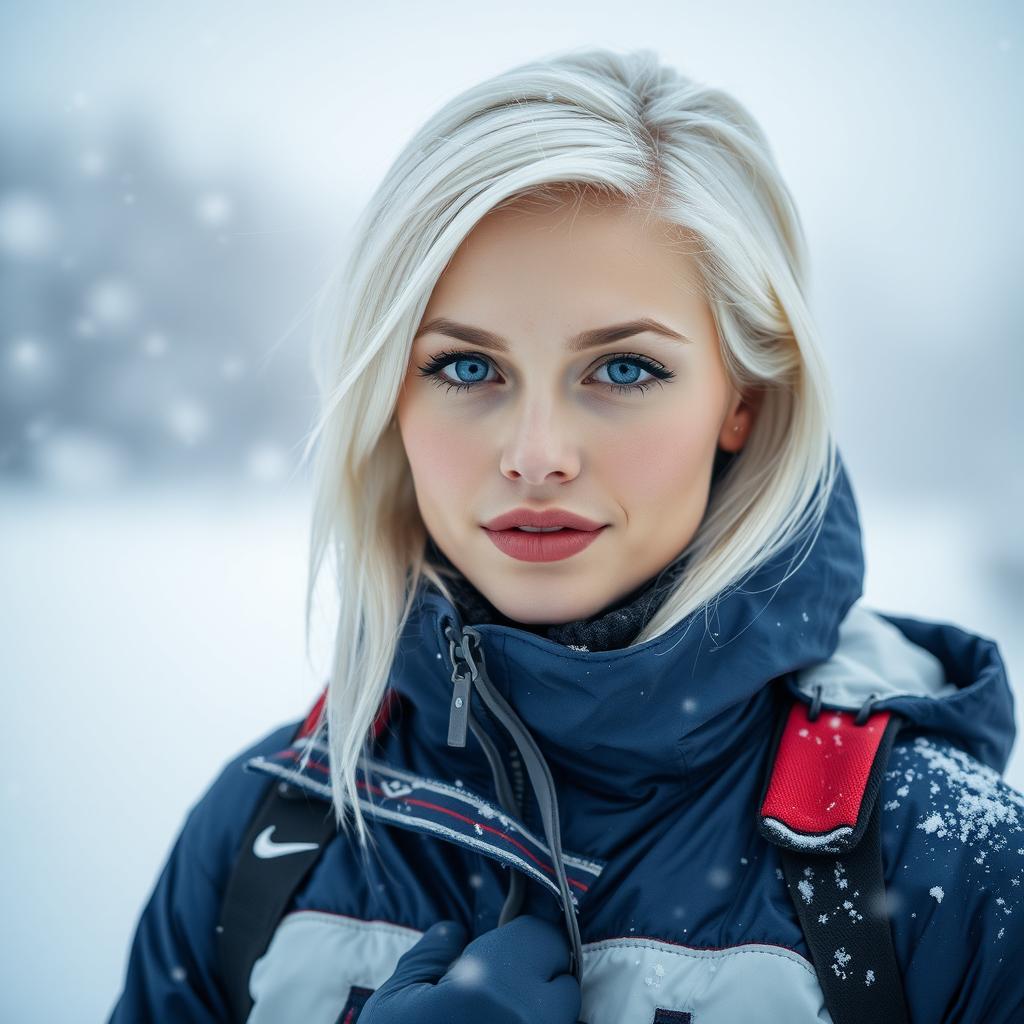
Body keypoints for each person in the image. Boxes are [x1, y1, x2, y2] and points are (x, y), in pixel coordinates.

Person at [107, 47, 1024, 1023]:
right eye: (465, 368)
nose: (536, 454)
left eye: (623, 369)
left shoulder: (949, 869)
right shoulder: (267, 834)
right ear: (388, 399)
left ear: (743, 400)